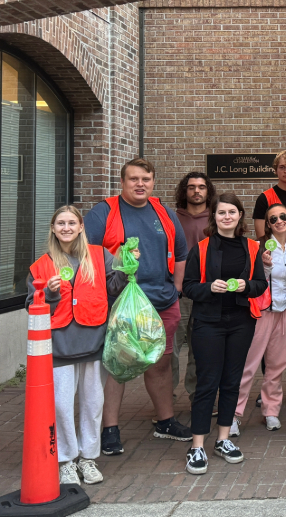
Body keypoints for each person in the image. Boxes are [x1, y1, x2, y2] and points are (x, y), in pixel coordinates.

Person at [84, 157, 191, 454]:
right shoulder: (103, 212)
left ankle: (165, 421)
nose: (140, 184)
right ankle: (110, 429)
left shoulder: (164, 213)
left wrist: (177, 287)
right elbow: (87, 256)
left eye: (145, 179)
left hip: (162, 301)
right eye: (133, 179)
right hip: (120, 304)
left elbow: (181, 253)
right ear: (122, 182)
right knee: (117, 365)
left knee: (161, 362)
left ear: (153, 181)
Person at [27, 206, 132, 486]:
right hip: (60, 346)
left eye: (71, 222)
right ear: (52, 228)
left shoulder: (98, 255)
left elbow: (113, 287)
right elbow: (30, 305)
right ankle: (66, 460)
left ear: (81, 226)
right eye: (60, 223)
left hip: (93, 342)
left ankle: (88, 458)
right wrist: (48, 294)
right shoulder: (41, 264)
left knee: (93, 403)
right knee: (61, 405)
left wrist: (126, 267)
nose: (66, 227)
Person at [182, 192, 268, 474]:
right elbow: (189, 287)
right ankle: (196, 446)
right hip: (208, 323)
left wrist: (246, 286)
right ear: (214, 217)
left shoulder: (251, 247)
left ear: (240, 216)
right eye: (221, 213)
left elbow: (260, 284)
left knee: (232, 382)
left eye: (232, 212)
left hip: (241, 321)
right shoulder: (202, 248)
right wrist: (209, 288)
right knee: (207, 383)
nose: (227, 217)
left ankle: (223, 439)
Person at [232, 202, 286, 434]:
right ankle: (234, 415)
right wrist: (265, 267)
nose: (279, 221)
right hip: (261, 312)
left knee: (277, 365)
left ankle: (271, 411)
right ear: (267, 224)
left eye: (283, 216)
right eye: (273, 219)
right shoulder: (258, 247)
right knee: (248, 365)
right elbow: (256, 282)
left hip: (285, 310)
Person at [172, 171, 216, 401]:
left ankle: (197, 396)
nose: (196, 191)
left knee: (200, 349)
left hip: (206, 291)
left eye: (201, 187)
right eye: (191, 187)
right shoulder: (172, 218)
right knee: (170, 348)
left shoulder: (216, 217)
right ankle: (165, 399)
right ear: (184, 190)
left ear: (208, 191)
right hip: (178, 292)